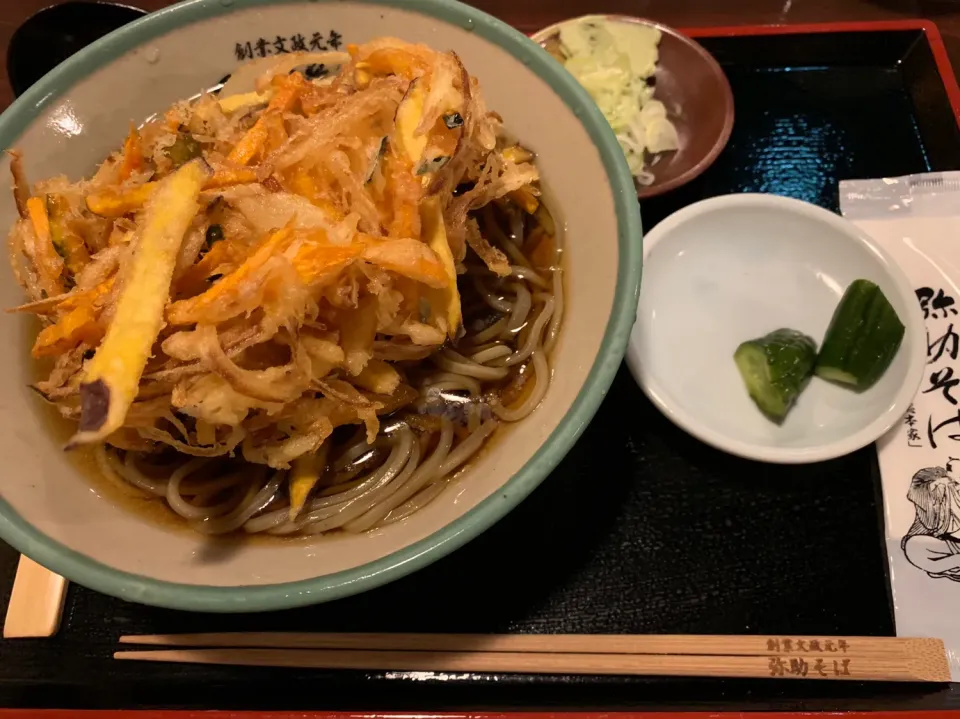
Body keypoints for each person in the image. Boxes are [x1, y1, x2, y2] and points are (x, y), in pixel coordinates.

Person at [902, 463, 960, 581]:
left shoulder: (952, 490)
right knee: (913, 546)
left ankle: (951, 565)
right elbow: (931, 524)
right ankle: (952, 564)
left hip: (951, 544)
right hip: (939, 544)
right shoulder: (927, 494)